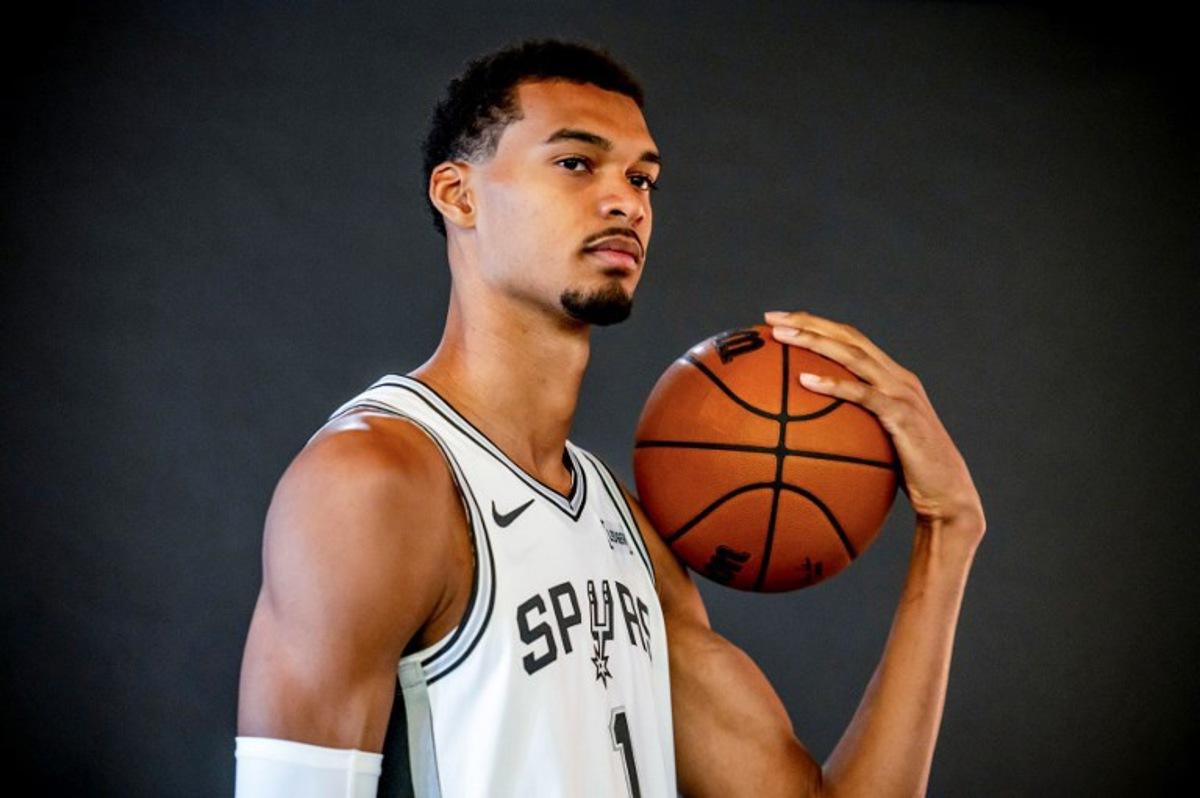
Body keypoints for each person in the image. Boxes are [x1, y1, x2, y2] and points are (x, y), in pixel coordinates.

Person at [235, 38, 986, 797]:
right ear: (459, 195)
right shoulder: (371, 481)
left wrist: (948, 532)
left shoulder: (630, 534)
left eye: (641, 177)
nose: (627, 201)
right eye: (576, 163)